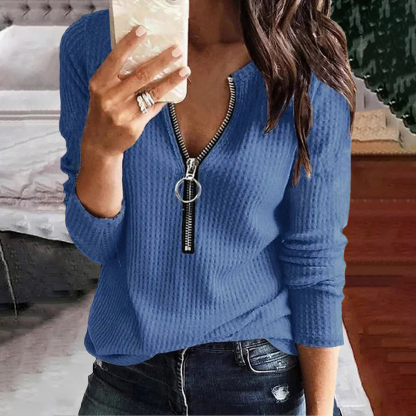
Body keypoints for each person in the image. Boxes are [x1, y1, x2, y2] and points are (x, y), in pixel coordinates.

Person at [59, 1, 356, 415]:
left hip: (257, 372)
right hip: (128, 373)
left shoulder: (307, 61)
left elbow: (315, 257)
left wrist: (321, 411)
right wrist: (102, 152)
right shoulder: (92, 46)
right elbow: (97, 245)